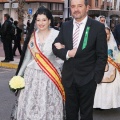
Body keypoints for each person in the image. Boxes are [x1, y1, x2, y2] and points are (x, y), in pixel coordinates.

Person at [52, 0, 108, 120]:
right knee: (70, 115)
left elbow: (102, 55)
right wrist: (67, 53)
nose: (76, 9)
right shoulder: (65, 26)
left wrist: (96, 78)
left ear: (87, 8)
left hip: (88, 80)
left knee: (86, 115)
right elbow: (55, 46)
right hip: (69, 79)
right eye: (73, 6)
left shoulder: (97, 27)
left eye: (79, 6)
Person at [13, 6, 65, 120]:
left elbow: (63, 57)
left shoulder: (57, 35)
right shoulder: (32, 36)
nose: (41, 23)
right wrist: (18, 76)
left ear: (49, 21)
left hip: (50, 77)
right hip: (32, 77)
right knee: (30, 105)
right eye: (38, 20)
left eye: (44, 20)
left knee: (48, 106)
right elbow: (27, 58)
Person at [94, 27, 120, 109]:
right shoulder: (95, 45)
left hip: (112, 69)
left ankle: (111, 104)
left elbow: (117, 57)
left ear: (110, 35)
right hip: (98, 69)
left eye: (107, 34)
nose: (105, 36)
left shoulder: (113, 46)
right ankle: (97, 104)